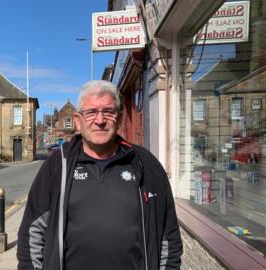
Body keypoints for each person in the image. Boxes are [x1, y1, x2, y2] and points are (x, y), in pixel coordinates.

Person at [17, 80, 182, 270]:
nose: (100, 120)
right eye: (91, 112)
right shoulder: (57, 164)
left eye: (108, 112)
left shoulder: (146, 164)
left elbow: (168, 237)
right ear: (78, 121)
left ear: (119, 119)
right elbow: (32, 233)